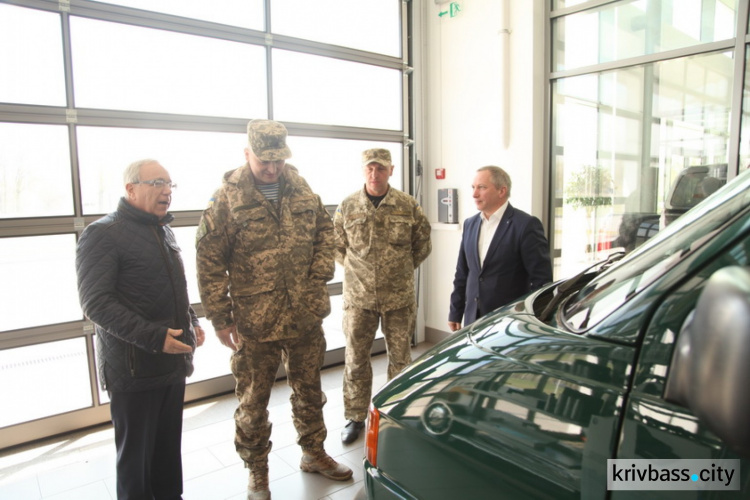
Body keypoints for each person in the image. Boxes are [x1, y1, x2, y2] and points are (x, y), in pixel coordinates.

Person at [195, 119, 352, 500]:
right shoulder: (227, 199)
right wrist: (220, 318)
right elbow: (209, 258)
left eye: (278, 160)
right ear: (246, 153)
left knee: (310, 391)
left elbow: (324, 233)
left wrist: (317, 277)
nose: (271, 168)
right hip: (254, 320)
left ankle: (314, 454)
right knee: (253, 402)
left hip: (303, 313)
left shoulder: (301, 187)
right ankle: (258, 472)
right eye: (264, 161)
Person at [76, 159, 205, 500]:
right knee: (136, 465)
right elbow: (96, 304)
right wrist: (154, 337)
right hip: (134, 370)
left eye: (170, 184)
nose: (167, 191)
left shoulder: (162, 229)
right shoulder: (102, 234)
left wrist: (191, 321)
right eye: (157, 183)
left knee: (166, 456)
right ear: (131, 188)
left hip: (171, 365)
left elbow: (173, 288)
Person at [333, 148, 432, 444]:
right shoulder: (348, 206)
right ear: (363, 170)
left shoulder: (407, 205)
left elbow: (423, 244)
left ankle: (395, 411)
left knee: (400, 359)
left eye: (380, 169)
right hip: (358, 299)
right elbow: (336, 246)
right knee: (355, 358)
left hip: (398, 298)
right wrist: (361, 271)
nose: (374, 174)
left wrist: (396, 270)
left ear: (391, 169)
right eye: (369, 169)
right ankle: (354, 416)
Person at [448, 165, 552, 332]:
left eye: (481, 187)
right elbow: (463, 272)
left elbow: (541, 279)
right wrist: (455, 311)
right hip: (472, 319)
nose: (474, 194)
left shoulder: (525, 225)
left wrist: (534, 321)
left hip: (508, 322)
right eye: (473, 187)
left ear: (501, 191)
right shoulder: (470, 224)